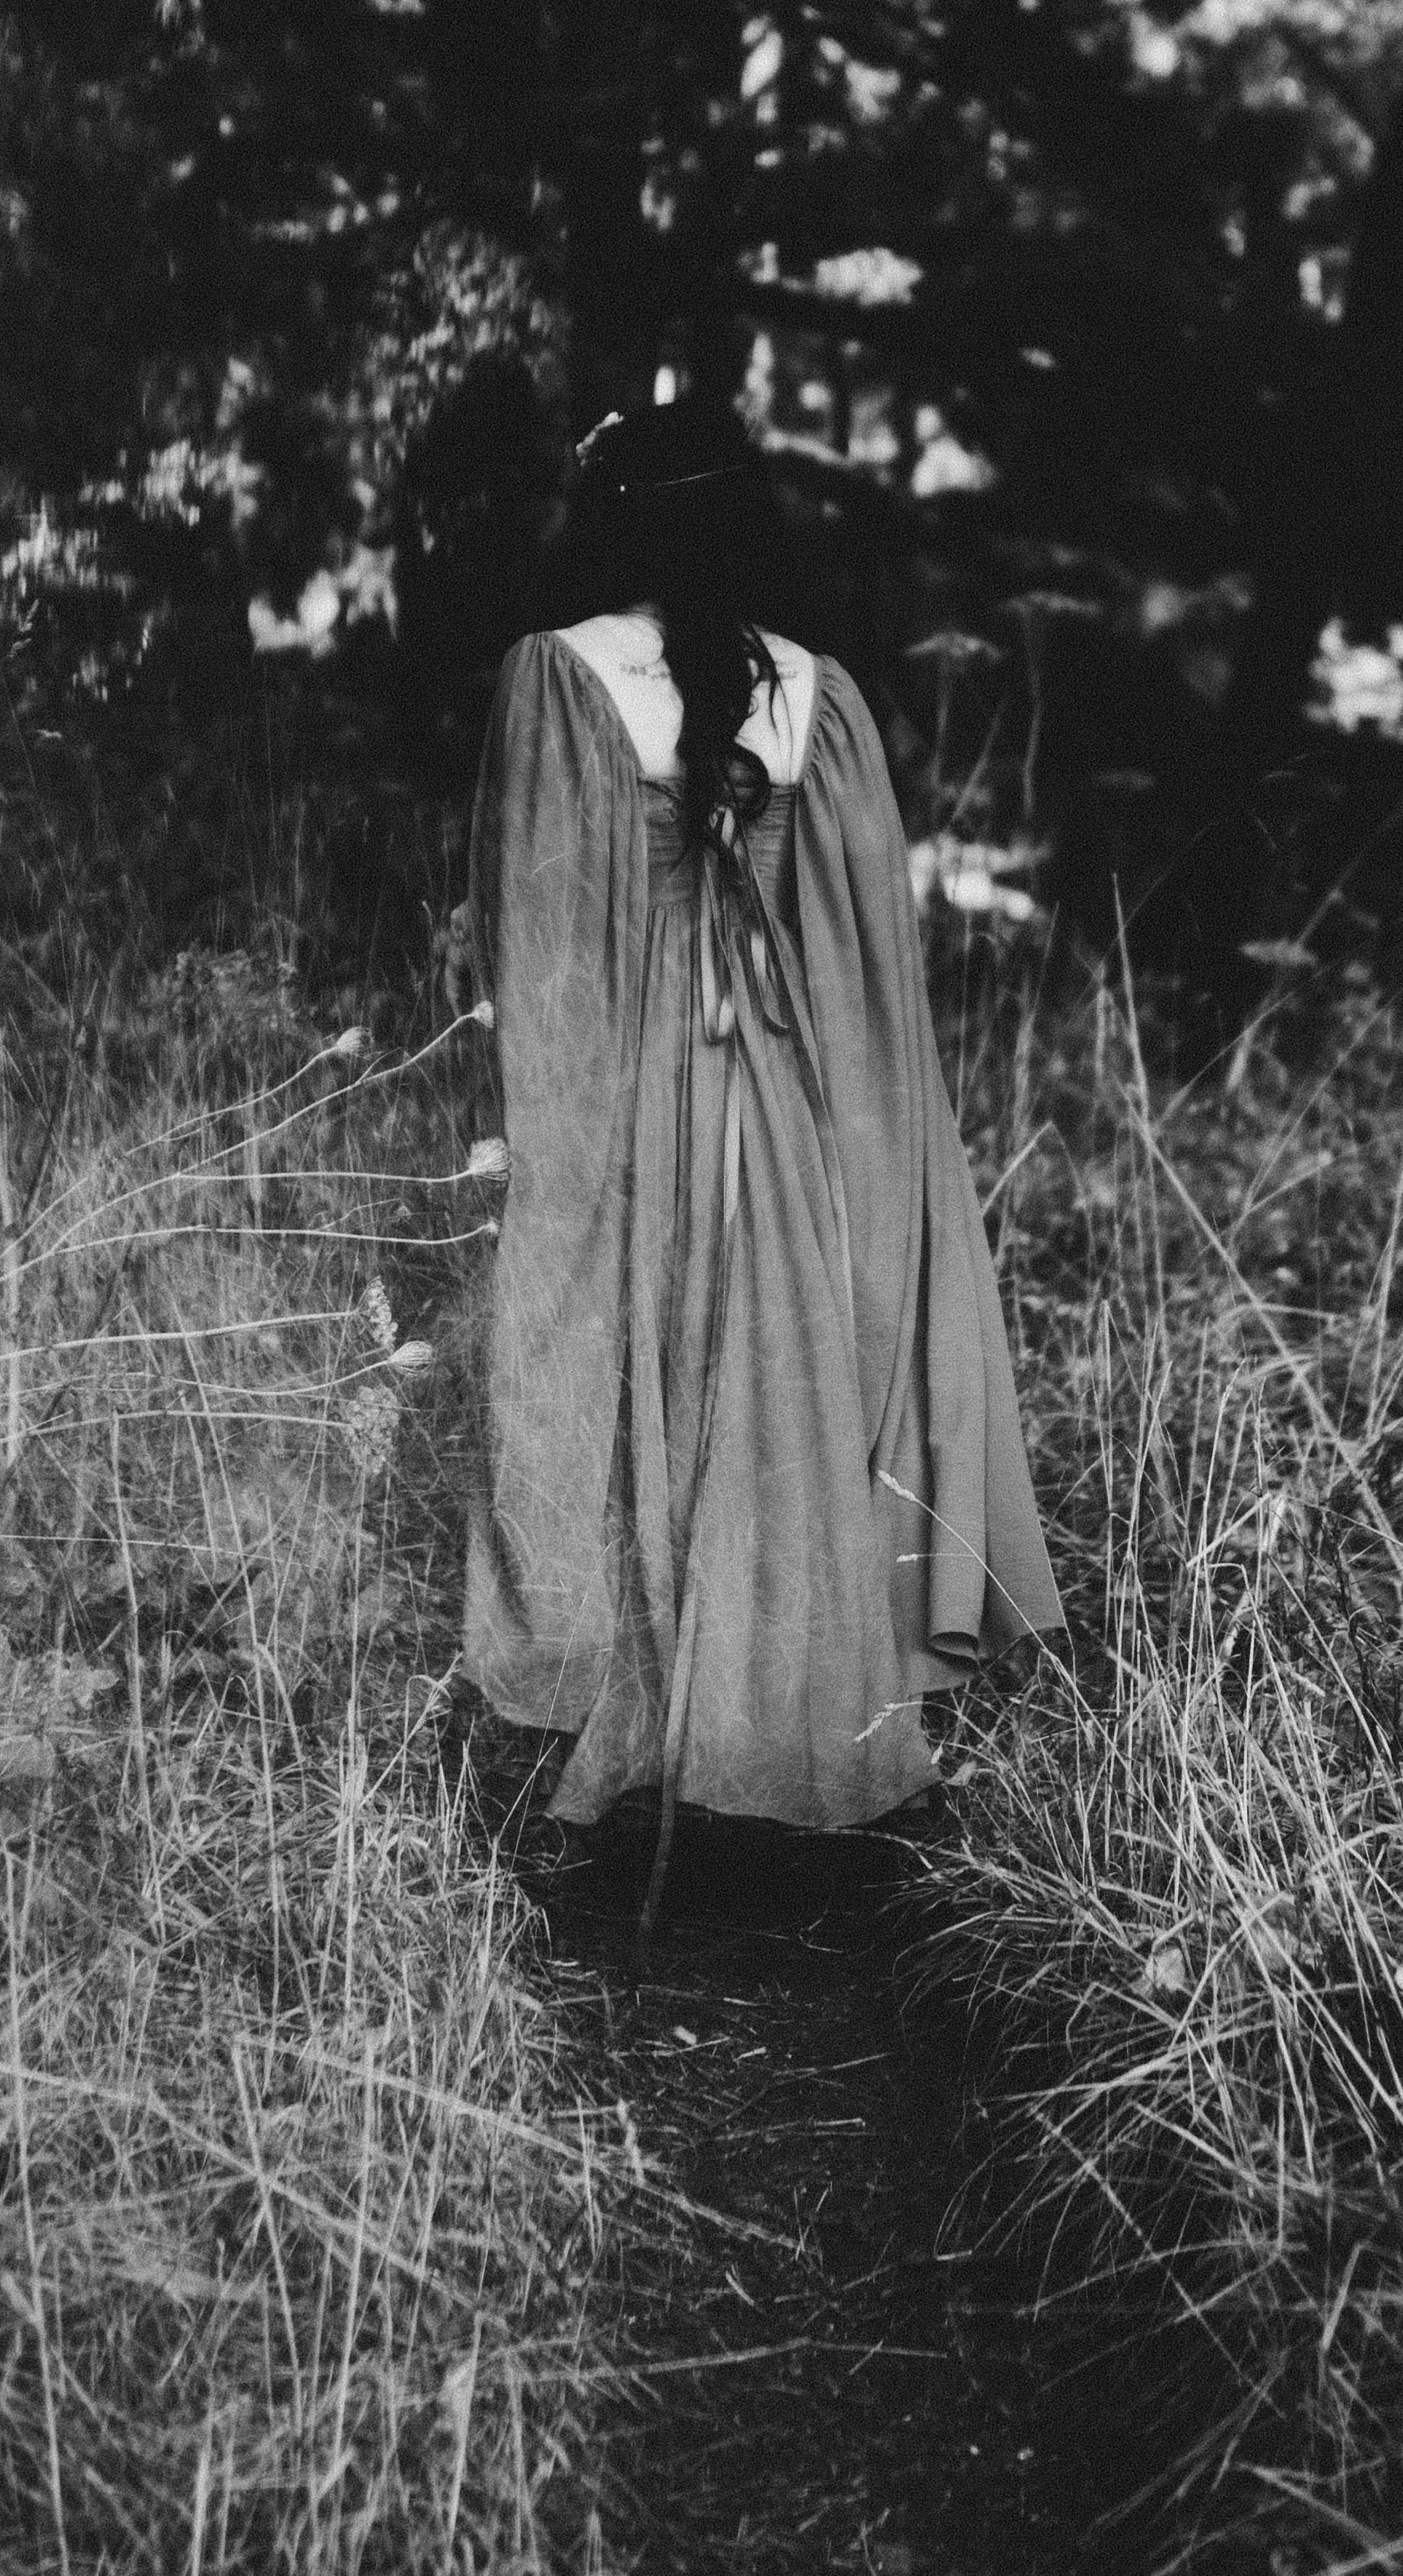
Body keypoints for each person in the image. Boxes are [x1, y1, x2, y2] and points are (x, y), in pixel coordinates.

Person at [468, 393, 1060, 1839]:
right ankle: (775, 1725)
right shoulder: (819, 694)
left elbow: (542, 947)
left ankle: (670, 1730)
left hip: (637, 1102)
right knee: (781, 1382)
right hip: (783, 1108)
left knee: (642, 1372)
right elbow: (864, 962)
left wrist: (551, 1155)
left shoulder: (559, 675)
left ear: (612, 519)